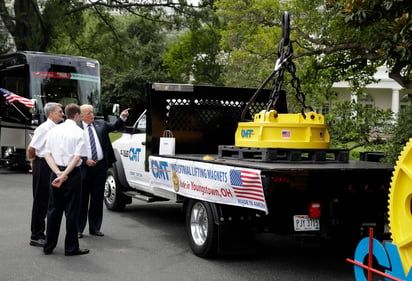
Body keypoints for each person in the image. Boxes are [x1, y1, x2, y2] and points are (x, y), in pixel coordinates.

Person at [43, 103, 89, 256]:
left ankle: (48, 245)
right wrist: (65, 175)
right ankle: (71, 248)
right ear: (76, 115)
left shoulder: (53, 130)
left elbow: (46, 154)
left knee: (53, 210)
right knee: (72, 212)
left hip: (55, 173)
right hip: (72, 174)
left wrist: (58, 173)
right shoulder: (79, 132)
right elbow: (77, 158)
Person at [78, 104, 129, 238]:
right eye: (88, 113)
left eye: (92, 112)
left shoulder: (100, 124)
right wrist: (84, 160)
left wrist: (122, 118)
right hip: (83, 167)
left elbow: (114, 127)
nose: (92, 115)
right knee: (82, 199)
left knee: (97, 198)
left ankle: (95, 227)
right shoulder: (76, 128)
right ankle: (78, 229)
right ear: (81, 116)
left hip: (100, 166)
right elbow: (72, 149)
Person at [27, 102, 64, 247]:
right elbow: (32, 148)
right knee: (40, 200)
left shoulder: (57, 128)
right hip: (42, 164)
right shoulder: (44, 128)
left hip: (52, 164)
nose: (62, 114)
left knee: (50, 200)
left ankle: (44, 233)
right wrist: (33, 161)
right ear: (51, 113)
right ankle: (36, 235)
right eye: (59, 111)